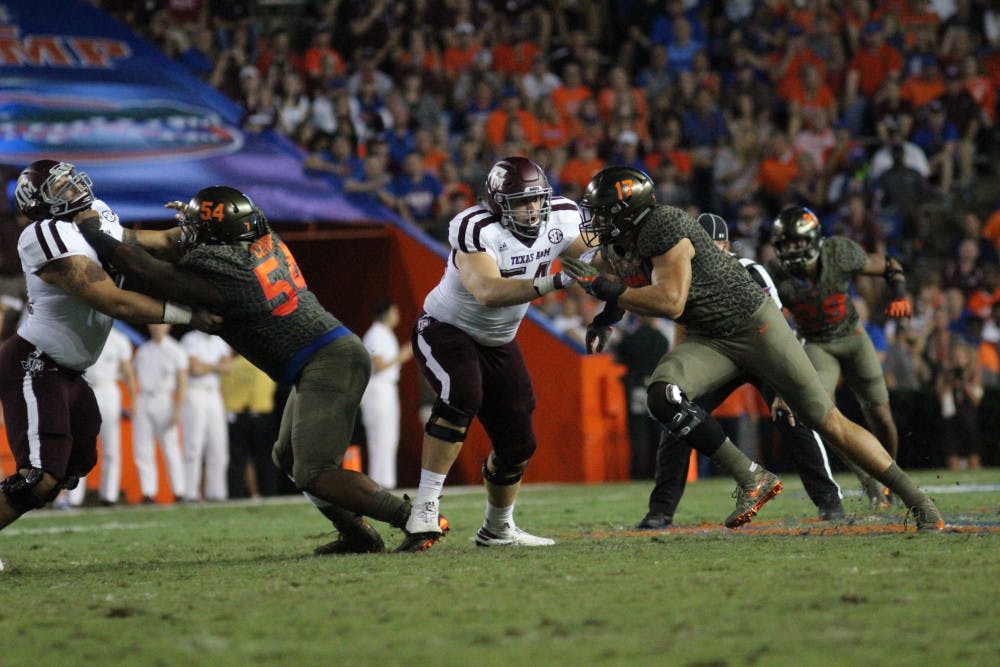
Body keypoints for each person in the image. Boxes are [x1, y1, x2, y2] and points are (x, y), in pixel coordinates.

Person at [561, 166, 943, 531]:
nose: (595, 223)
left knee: (825, 419)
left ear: (627, 213)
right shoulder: (617, 242)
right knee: (662, 396)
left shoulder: (665, 224)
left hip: (752, 325)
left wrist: (605, 290)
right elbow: (626, 280)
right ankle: (751, 478)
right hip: (707, 338)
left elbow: (670, 301)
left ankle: (919, 502)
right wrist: (606, 318)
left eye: (602, 213)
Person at [75, 185, 428, 554]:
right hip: (324, 356)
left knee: (315, 470)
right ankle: (358, 535)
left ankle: (413, 516)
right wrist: (137, 230)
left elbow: (146, 271)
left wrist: (95, 231)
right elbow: (173, 242)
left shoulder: (227, 272)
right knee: (287, 458)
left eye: (196, 228)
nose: (187, 232)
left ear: (215, 236)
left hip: (328, 360)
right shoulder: (259, 233)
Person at [0, 159, 218, 548]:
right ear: (39, 203)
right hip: (34, 362)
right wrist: (188, 315)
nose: (72, 189)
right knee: (40, 477)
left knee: (72, 467)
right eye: (59, 187)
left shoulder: (94, 214)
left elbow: (151, 244)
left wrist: (197, 226)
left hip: (69, 371)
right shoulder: (44, 233)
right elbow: (112, 300)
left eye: (70, 181)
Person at [395, 156, 591, 552]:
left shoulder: (563, 217)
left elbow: (595, 257)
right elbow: (487, 292)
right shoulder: (474, 226)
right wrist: (557, 279)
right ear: (497, 203)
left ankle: (498, 528)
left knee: (518, 444)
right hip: (445, 328)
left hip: (499, 340)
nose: (532, 209)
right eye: (521, 202)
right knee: (464, 393)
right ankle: (425, 506)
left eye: (536, 200)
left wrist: (608, 267)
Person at [634, 213, 844, 530]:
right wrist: (672, 381)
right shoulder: (682, 275)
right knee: (679, 416)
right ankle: (661, 510)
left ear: (725, 245)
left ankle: (829, 501)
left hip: (760, 354)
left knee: (792, 414)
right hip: (716, 357)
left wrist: (789, 386)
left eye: (710, 245)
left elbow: (778, 330)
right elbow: (682, 332)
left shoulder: (749, 270)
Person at [768, 206, 912, 507]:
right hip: (817, 344)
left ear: (814, 239)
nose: (790, 252)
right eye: (784, 245)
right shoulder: (776, 274)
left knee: (881, 416)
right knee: (824, 416)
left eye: (796, 243)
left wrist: (899, 293)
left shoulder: (839, 253)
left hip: (853, 338)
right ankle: (868, 479)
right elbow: (770, 327)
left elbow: (888, 264)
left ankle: (892, 479)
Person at [78, 325, 138, 506]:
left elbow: (127, 371)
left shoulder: (120, 339)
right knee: (81, 444)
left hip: (108, 388)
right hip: (86, 389)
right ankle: (74, 496)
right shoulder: (84, 335)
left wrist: (133, 398)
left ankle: (109, 495)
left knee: (111, 446)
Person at [359, 298, 413, 490]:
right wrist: (403, 356)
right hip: (378, 389)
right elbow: (379, 364)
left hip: (387, 388)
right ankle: (378, 484)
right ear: (387, 313)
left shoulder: (384, 334)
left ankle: (386, 483)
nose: (397, 315)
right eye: (395, 311)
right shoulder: (375, 334)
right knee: (380, 437)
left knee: (389, 437)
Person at [132, 323, 189, 504]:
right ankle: (148, 492)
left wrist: (178, 408)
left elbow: (182, 380)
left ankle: (179, 491)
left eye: (160, 324)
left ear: (168, 326)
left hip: (164, 399)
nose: (157, 327)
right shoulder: (143, 351)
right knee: (143, 448)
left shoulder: (175, 350)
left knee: (170, 447)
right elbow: (134, 376)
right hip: (144, 398)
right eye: (154, 324)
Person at [180, 330, 232, 502]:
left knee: (218, 445)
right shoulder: (190, 339)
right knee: (193, 445)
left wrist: (206, 366)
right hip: (195, 393)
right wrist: (216, 366)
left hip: (214, 394)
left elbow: (228, 367)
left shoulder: (220, 340)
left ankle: (216, 492)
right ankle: (190, 492)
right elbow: (194, 369)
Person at [221, 352, 280, 499]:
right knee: (266, 459)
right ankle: (269, 492)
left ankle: (239, 494)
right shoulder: (265, 364)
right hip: (261, 414)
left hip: (236, 416)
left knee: (238, 460)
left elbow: (224, 390)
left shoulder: (232, 365)